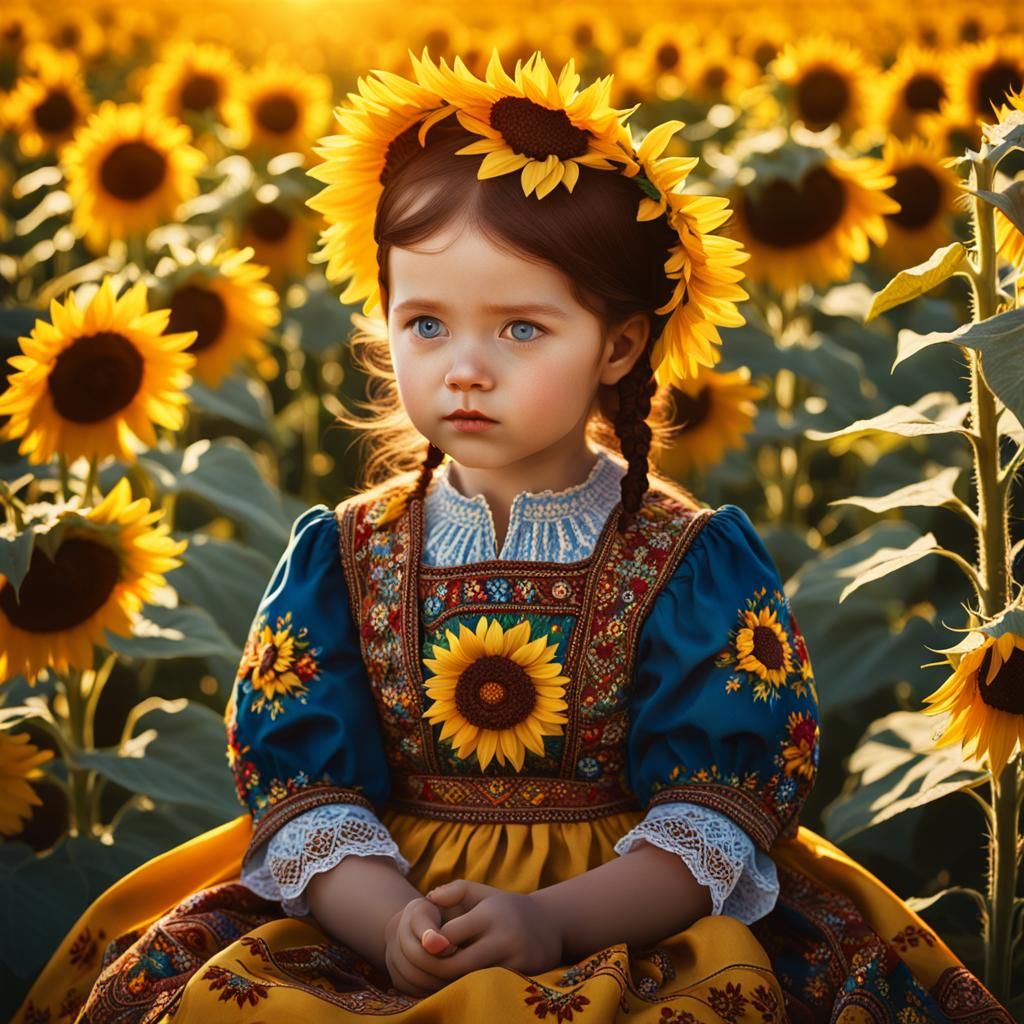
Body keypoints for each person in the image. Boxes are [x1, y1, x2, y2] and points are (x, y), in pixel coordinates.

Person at [17, 50, 1009, 1023]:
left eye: (521, 329)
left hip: (629, 918)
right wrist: (391, 917)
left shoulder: (685, 562)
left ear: (618, 343)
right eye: (426, 324)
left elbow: (721, 799)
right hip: (374, 907)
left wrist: (550, 920)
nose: (464, 369)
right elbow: (304, 785)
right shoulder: (344, 558)